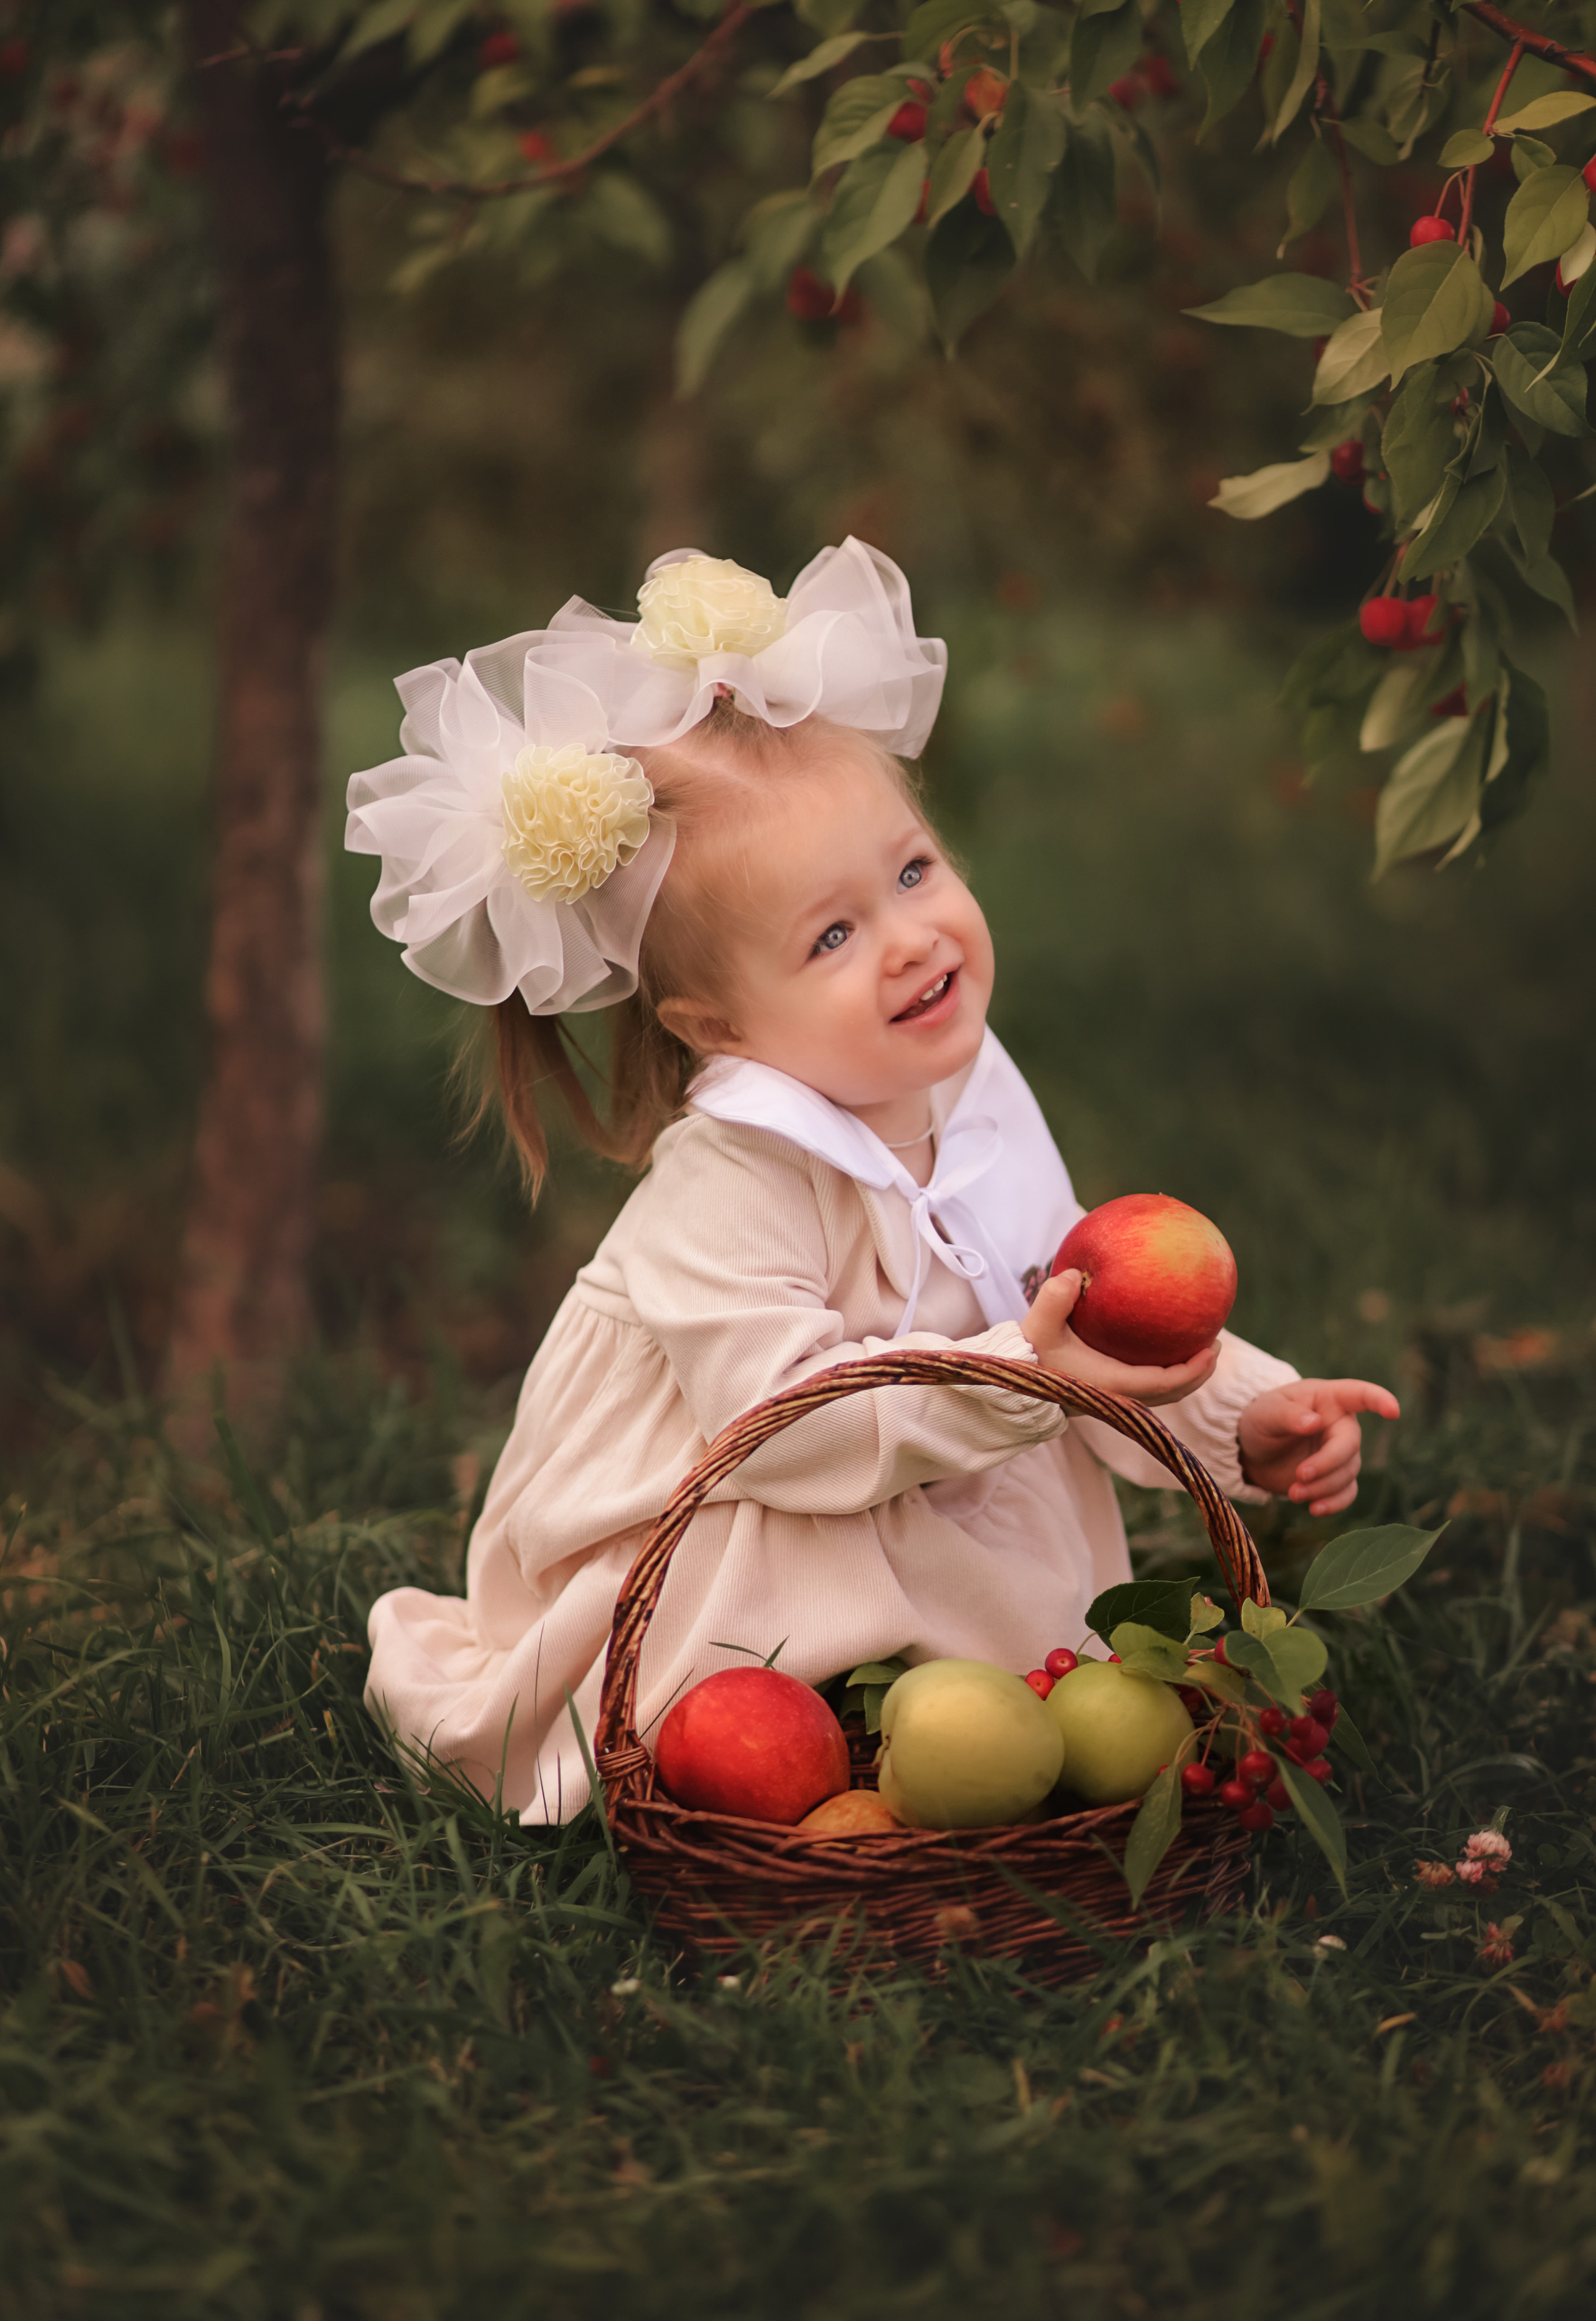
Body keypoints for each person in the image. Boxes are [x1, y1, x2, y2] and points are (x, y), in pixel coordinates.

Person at [347, 541, 1398, 1824]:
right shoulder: (729, 1174)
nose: (910, 941)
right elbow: (791, 1433)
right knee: (801, 1615)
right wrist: (1023, 1381)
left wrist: (1244, 1413)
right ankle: (827, 1735)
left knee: (1010, 1694)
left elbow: (1068, 1301)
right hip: (759, 1498)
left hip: (928, 1449)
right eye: (831, 936)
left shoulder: (964, 1090)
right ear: (716, 1026)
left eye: (912, 872)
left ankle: (954, 1732)